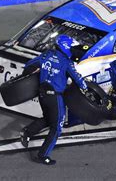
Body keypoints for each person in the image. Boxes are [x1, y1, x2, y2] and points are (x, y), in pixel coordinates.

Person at [20, 35, 88, 165]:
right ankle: (43, 155)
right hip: (55, 97)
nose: (73, 50)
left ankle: (27, 132)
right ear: (66, 47)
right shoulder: (66, 62)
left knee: (49, 119)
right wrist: (85, 87)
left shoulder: (46, 55)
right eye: (72, 47)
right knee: (57, 127)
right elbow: (78, 79)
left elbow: (28, 65)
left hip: (42, 95)